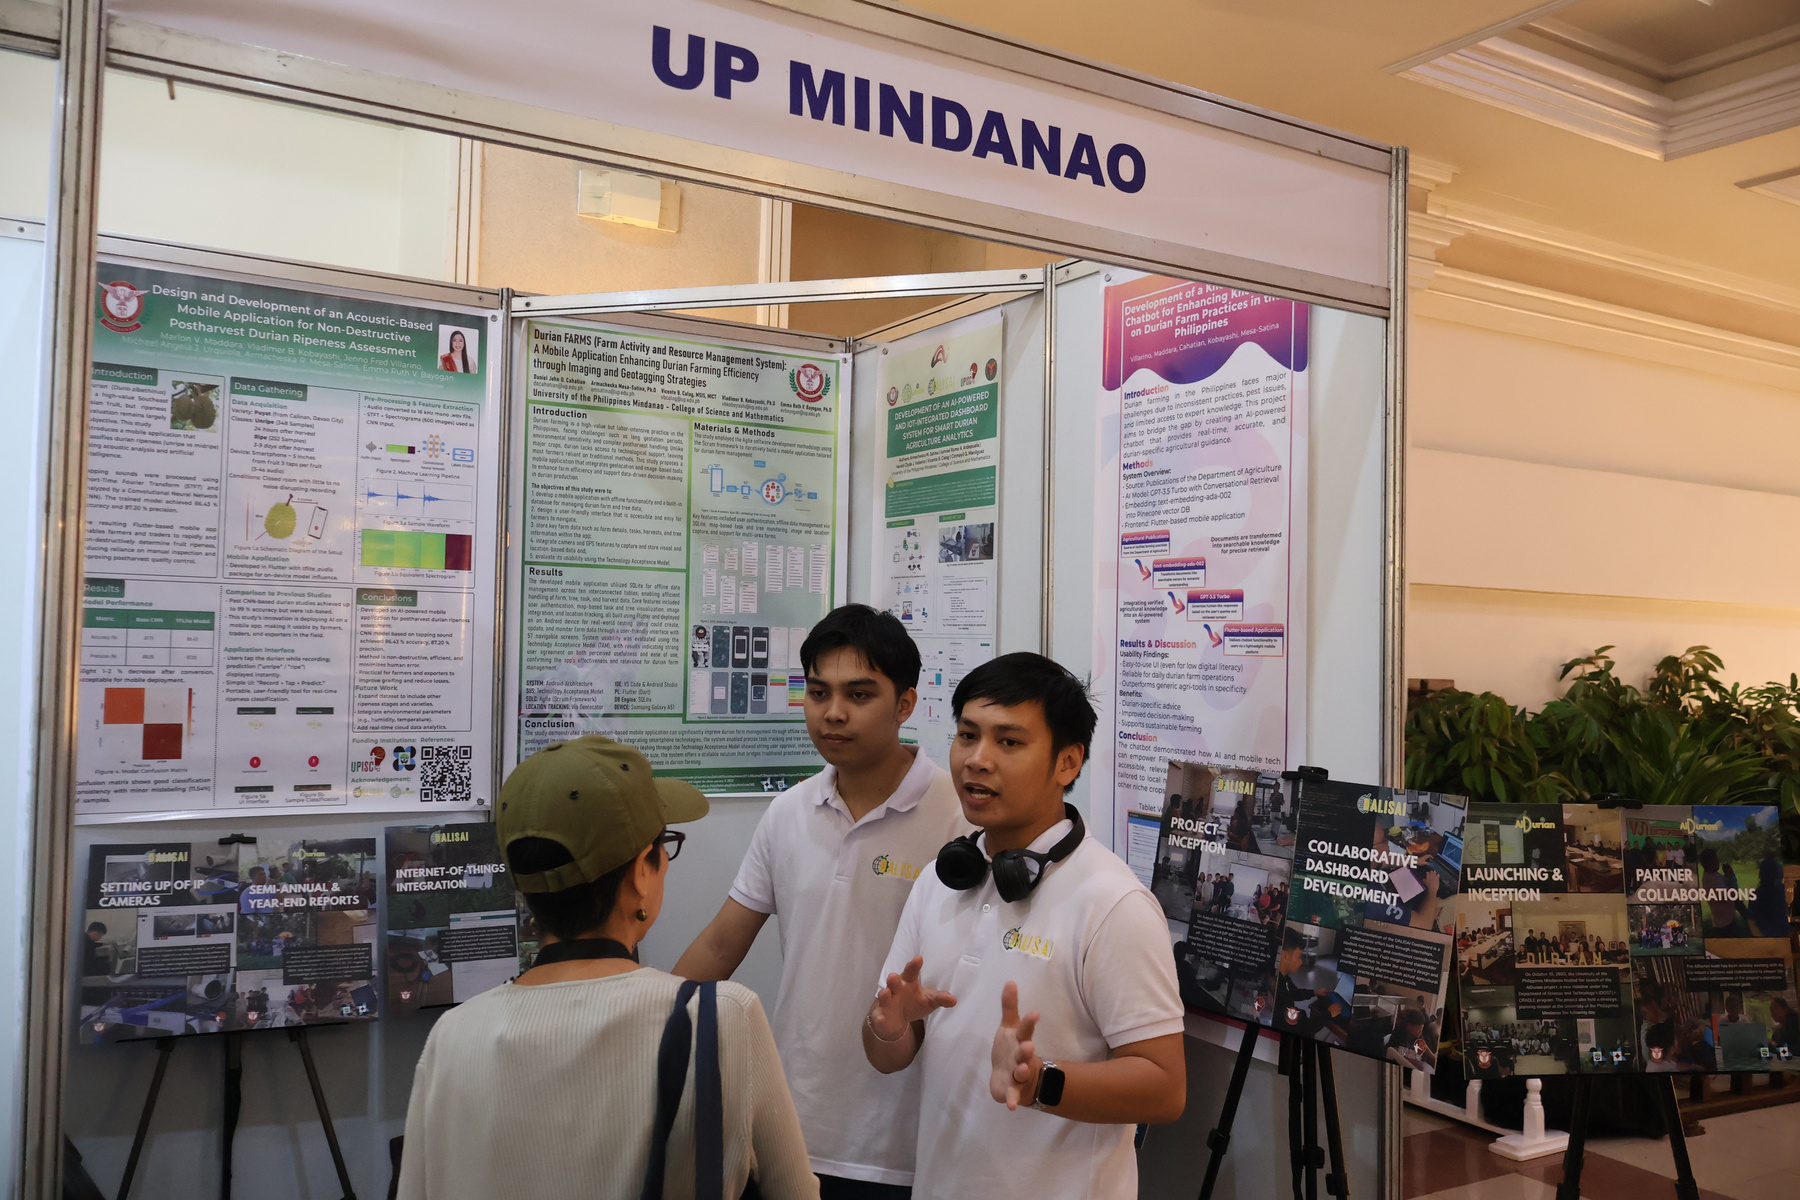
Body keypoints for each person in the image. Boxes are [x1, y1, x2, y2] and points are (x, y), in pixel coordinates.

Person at [398, 736, 817, 1200]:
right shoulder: (722, 1019)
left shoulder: (451, 1037)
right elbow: (795, 1191)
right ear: (642, 871)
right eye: (664, 846)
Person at [863, 653, 1184, 1199]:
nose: (976, 760)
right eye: (967, 735)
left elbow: (1164, 1086)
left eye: (1009, 742)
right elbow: (888, 1056)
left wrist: (1041, 1083)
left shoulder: (1113, 902)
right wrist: (888, 1026)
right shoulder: (941, 880)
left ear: (1067, 763)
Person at [676, 604, 966, 1198]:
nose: (833, 713)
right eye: (818, 692)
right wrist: (642, 1022)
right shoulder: (789, 811)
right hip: (787, 1129)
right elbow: (721, 942)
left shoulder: (958, 816)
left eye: (859, 695)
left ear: (905, 704)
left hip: (906, 1144)